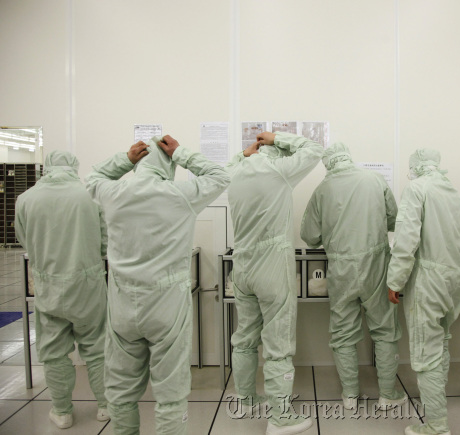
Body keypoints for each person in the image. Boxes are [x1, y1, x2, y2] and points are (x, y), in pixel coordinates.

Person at [86, 136, 230, 434]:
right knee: (170, 393)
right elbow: (220, 176)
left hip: (123, 304)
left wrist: (125, 159)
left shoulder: (113, 193)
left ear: (138, 165)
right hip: (167, 305)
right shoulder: (180, 193)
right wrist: (182, 153)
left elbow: (92, 178)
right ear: (169, 166)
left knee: (121, 390)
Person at [226, 131, 322, 435]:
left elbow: (227, 165)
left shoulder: (235, 172)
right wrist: (276, 137)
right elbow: (314, 148)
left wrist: (247, 152)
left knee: (244, 336)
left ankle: (245, 399)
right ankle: (281, 418)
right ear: (278, 153)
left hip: (241, 267)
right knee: (278, 342)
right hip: (271, 265)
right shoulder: (279, 170)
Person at [300, 142, 405, 411]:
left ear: (328, 162)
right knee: (385, 330)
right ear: (348, 155)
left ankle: (349, 396)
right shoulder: (374, 179)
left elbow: (310, 237)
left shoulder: (323, 189)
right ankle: (387, 394)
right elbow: (394, 219)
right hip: (376, 265)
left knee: (343, 332)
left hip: (341, 270)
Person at [15, 151, 109, 429]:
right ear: (74, 167)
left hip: (49, 284)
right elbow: (105, 240)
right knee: (97, 346)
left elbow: (25, 241)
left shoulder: (25, 199)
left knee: (53, 351)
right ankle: (106, 406)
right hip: (87, 283)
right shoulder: (89, 195)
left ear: (46, 167)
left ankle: (62, 411)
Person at [387, 149, 460, 435]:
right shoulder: (452, 191)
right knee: (442, 338)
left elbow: (406, 240)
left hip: (429, 280)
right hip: (454, 276)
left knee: (426, 350)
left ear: (415, 167)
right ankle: (437, 399)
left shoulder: (417, 188)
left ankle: (436, 424)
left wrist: (395, 281)